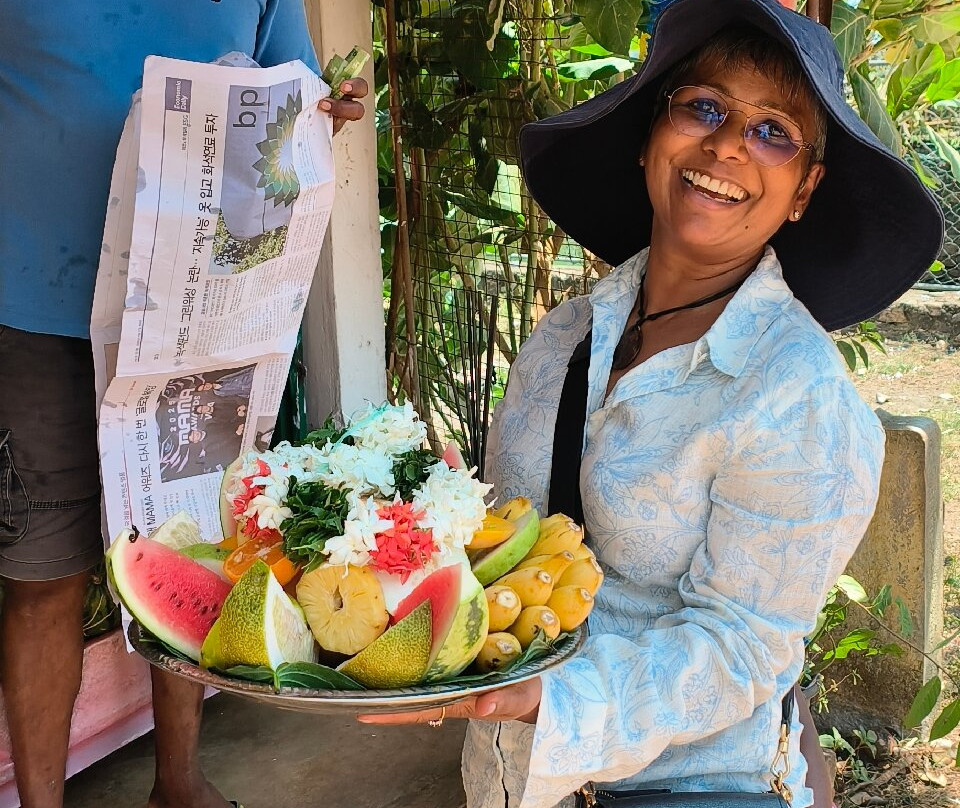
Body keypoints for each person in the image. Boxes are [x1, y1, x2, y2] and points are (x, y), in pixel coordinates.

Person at [359, 1, 943, 807]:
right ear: (649, 139)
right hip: (508, 771)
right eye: (704, 106)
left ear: (804, 189)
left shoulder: (796, 397)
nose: (730, 143)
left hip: (692, 781)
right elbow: (508, 543)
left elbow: (738, 646)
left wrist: (550, 701)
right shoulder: (565, 336)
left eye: (774, 131)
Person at [0, 3, 366, 807]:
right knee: (42, 576)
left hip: (196, 318)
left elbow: (296, 96)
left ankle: (179, 782)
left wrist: (325, 114)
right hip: (33, 303)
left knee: (193, 552)